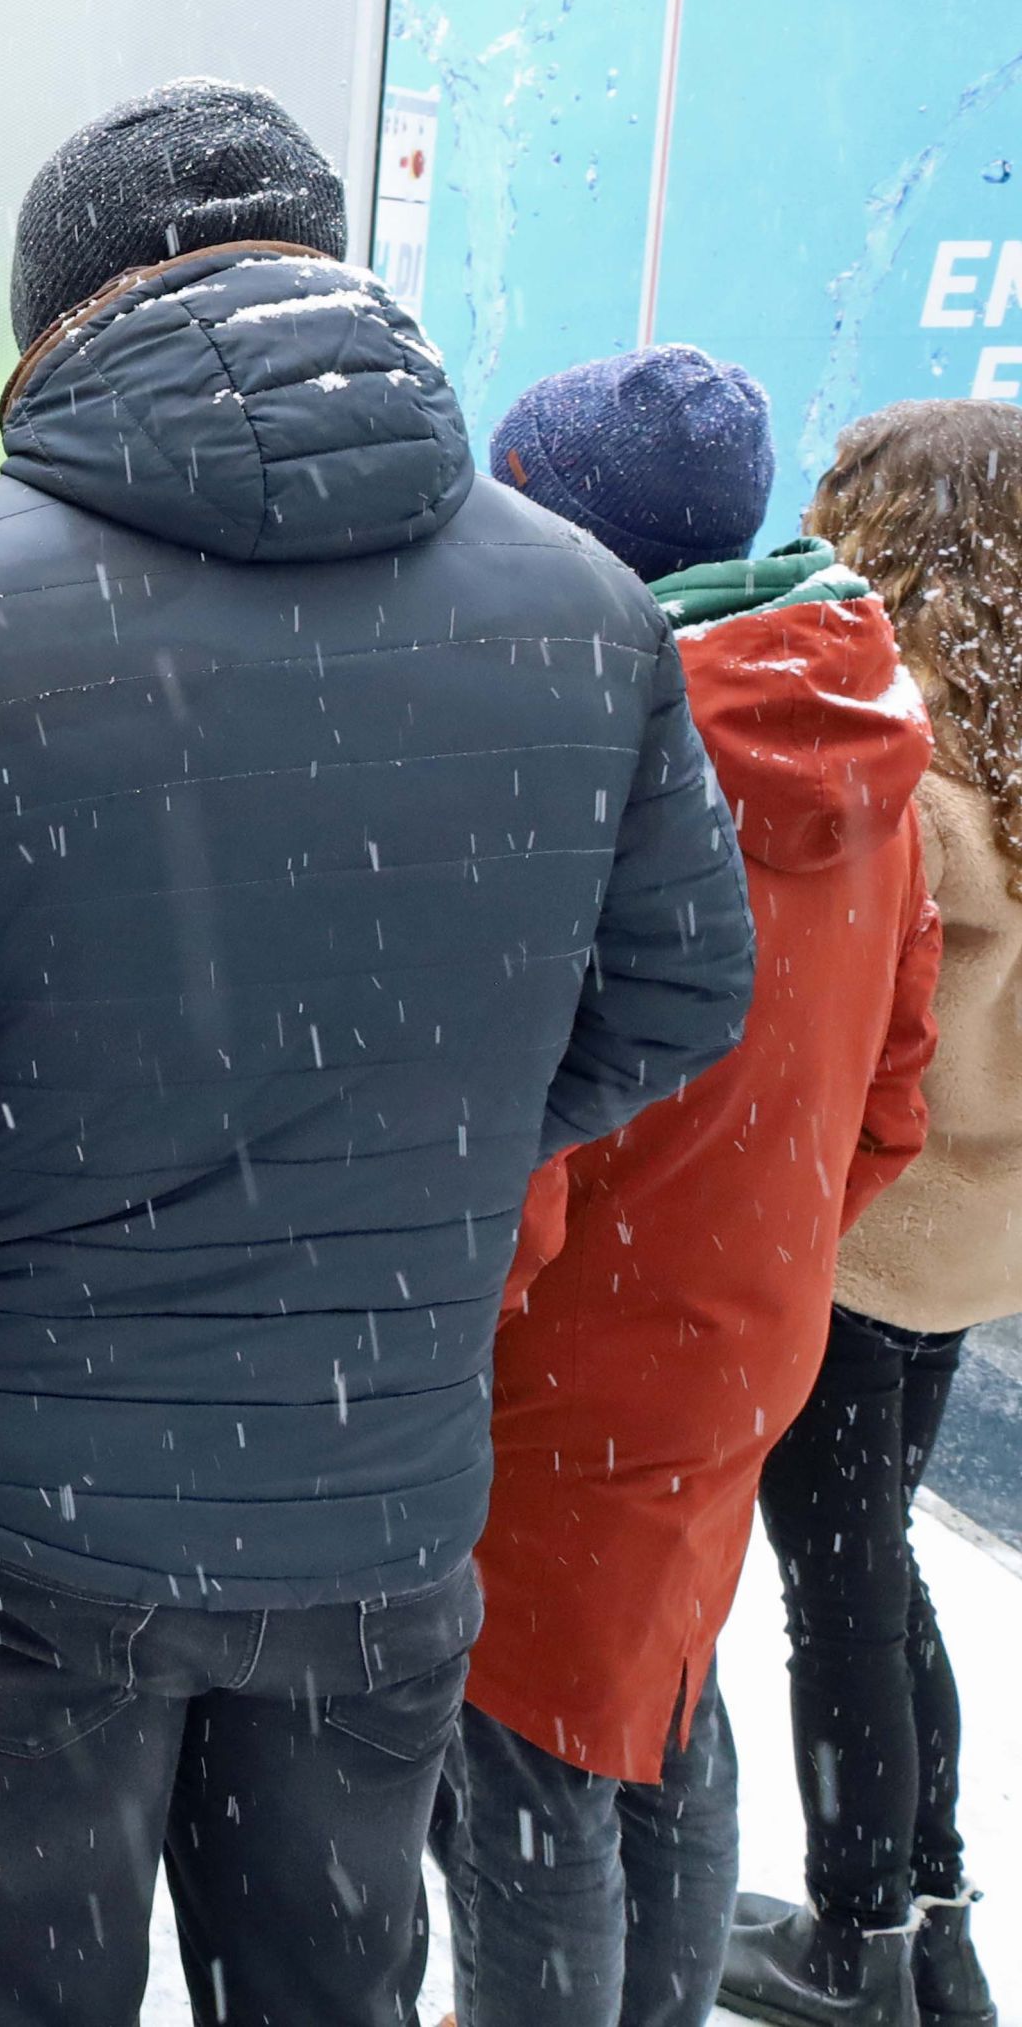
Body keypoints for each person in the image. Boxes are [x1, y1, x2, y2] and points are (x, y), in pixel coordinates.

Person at [0, 77, 760, 2027]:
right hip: (370, 1500)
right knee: (323, 1987)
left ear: (52, 320)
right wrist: (431, 1147)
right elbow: (680, 990)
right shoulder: (582, 615)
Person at [439, 351, 941, 2027]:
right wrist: (756, 1244)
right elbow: (892, 1092)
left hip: (565, 1364)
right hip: (741, 1332)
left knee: (530, 1770)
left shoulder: (604, 764)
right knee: (655, 1703)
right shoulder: (865, 742)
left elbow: (526, 1138)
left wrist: (457, 1331)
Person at [725, 399, 1022, 2027]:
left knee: (838, 1582)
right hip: (974, 1240)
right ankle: (935, 1909)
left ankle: (857, 1941)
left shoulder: (905, 746)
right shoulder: (1017, 723)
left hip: (863, 1232)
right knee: (878, 1564)